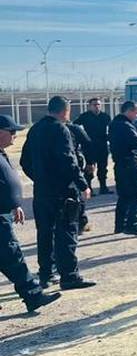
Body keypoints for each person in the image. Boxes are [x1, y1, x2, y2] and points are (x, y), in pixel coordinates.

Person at [20, 96, 94, 290]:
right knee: (67, 233)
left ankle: (46, 274)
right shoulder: (61, 129)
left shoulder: (35, 129)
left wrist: (40, 177)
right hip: (63, 191)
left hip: (42, 191)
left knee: (45, 233)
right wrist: (83, 184)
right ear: (65, 111)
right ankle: (69, 276)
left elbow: (24, 161)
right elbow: (69, 160)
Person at [0, 114, 62, 313]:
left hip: (4, 213)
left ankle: (33, 296)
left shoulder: (2, 153)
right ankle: (33, 295)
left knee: (10, 258)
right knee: (12, 257)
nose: (15, 136)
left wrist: (14, 204)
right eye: (11, 132)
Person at [110, 101, 137, 237]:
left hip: (119, 165)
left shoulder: (114, 124)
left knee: (124, 195)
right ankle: (133, 225)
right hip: (130, 164)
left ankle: (119, 225)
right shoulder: (126, 126)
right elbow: (136, 143)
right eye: (136, 112)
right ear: (130, 111)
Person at [75, 98, 112, 195]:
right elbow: (75, 126)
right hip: (89, 146)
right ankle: (89, 188)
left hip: (102, 145)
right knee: (90, 167)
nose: (97, 106)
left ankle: (103, 187)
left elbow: (111, 128)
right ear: (89, 106)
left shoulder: (105, 116)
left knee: (103, 167)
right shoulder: (85, 116)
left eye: (99, 104)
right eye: (95, 104)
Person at [67, 122, 93, 233]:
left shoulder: (73, 128)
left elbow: (87, 143)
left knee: (77, 194)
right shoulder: (72, 128)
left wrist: (90, 162)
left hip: (73, 165)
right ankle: (79, 222)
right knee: (76, 194)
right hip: (71, 166)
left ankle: (81, 222)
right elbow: (88, 143)